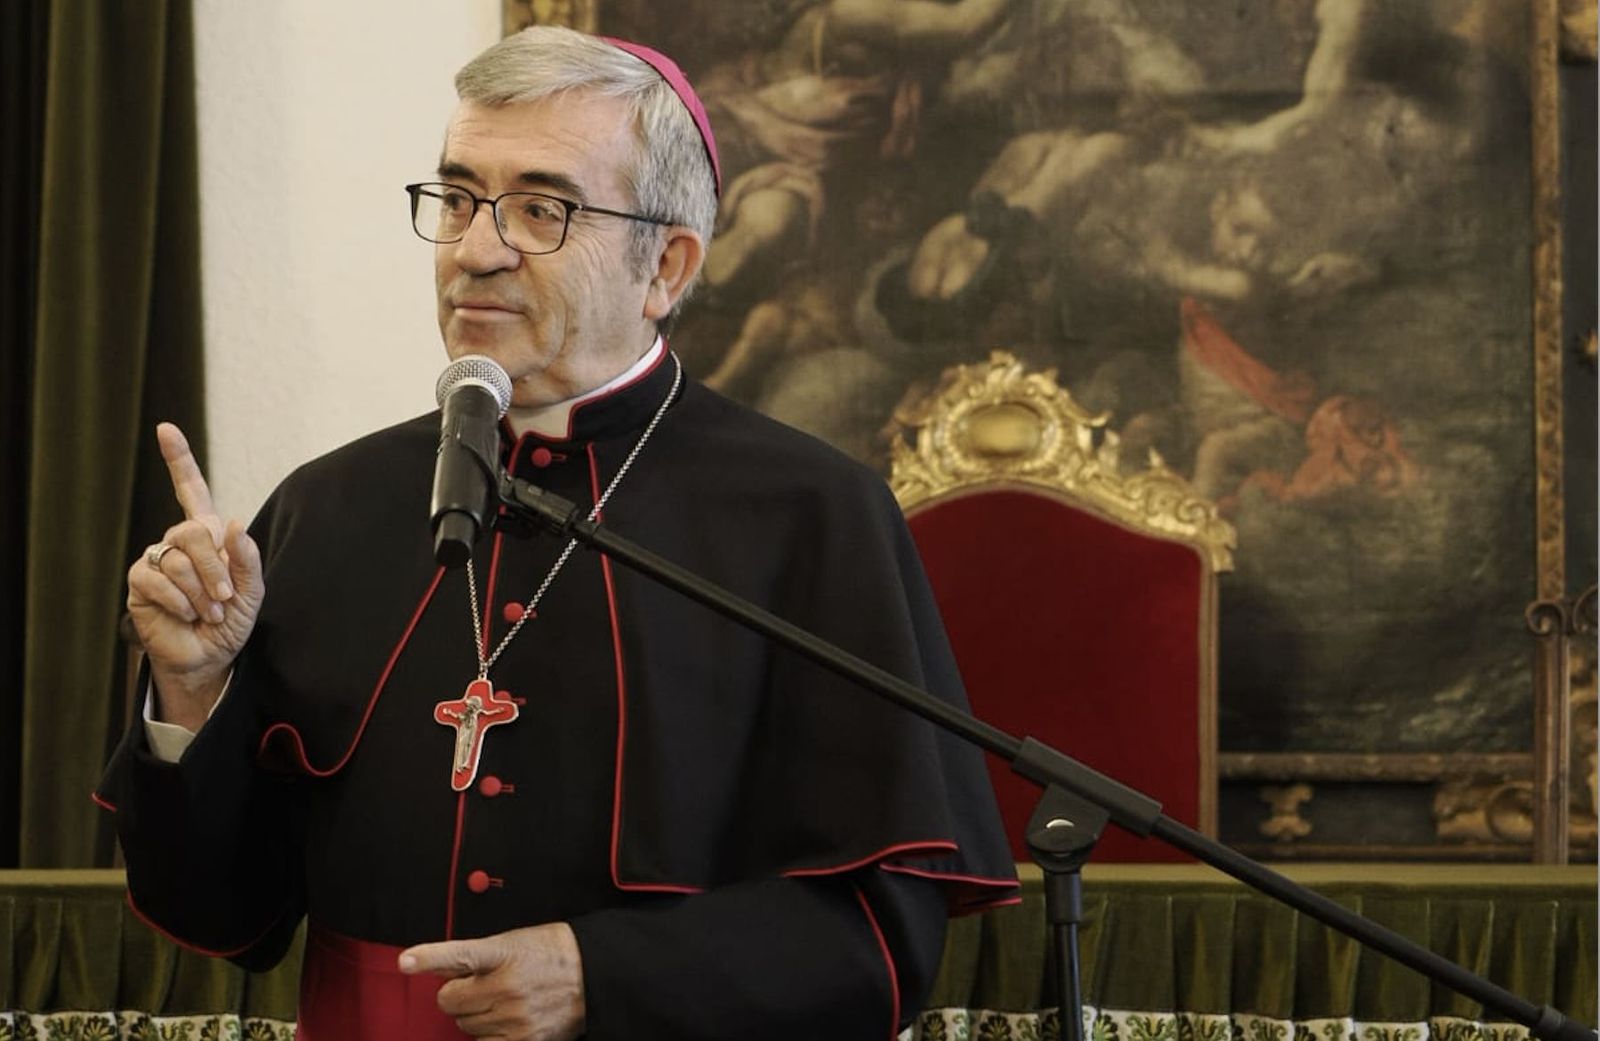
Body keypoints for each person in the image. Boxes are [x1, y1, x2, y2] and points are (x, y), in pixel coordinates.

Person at [95, 26, 1018, 1041]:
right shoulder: (330, 504)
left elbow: (884, 942)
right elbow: (223, 917)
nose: (476, 250)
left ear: (663, 265)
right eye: (455, 199)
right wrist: (191, 692)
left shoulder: (808, 514)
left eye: (541, 209)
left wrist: (607, 974)